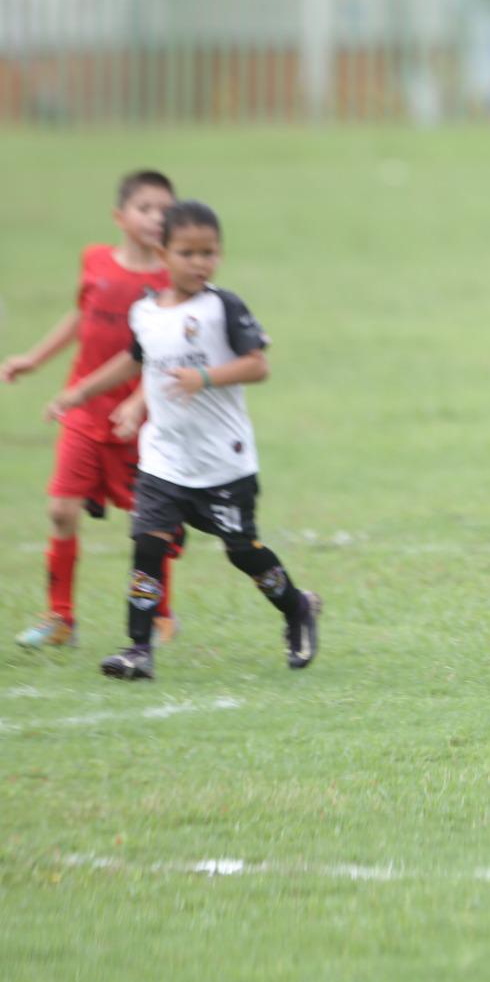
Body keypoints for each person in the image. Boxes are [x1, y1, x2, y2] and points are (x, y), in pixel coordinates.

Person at [46, 201, 320, 680]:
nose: (200, 262)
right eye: (188, 252)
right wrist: (81, 392)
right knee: (147, 545)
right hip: (163, 460)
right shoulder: (146, 311)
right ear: (162, 252)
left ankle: (297, 607)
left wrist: (205, 377)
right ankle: (138, 649)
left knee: (242, 551)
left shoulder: (223, 307)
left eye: (209, 252)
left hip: (223, 462)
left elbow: (258, 365)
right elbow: (135, 361)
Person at [3, 169, 183, 650]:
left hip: (142, 419)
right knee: (61, 509)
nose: (155, 217)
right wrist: (33, 359)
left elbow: (167, 357)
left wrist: (136, 400)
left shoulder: (172, 280)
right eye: (145, 208)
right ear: (119, 216)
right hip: (82, 408)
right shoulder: (96, 261)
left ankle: (160, 612)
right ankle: (60, 618)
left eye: (165, 209)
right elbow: (82, 317)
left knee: (150, 521)